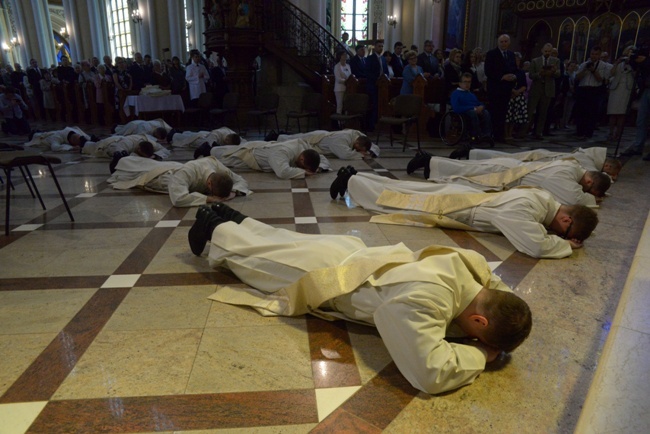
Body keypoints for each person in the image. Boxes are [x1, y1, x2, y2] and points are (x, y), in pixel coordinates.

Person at [188, 203, 532, 395]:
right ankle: (213, 226)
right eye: (476, 334)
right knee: (256, 261)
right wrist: (478, 354)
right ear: (479, 321)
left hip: (353, 253)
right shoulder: (425, 301)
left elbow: (499, 292)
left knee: (278, 240)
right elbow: (429, 373)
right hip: (325, 275)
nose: (471, 338)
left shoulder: (475, 268)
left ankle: (232, 217)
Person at [329, 170, 599, 259]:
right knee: (394, 203)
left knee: (402, 190)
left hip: (463, 199)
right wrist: (565, 246)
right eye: (563, 231)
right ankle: (351, 181)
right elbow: (534, 244)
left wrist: (560, 238)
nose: (556, 233)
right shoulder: (531, 207)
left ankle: (357, 177)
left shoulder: (546, 200)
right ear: (566, 220)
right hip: (457, 206)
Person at [407, 154, 610, 207]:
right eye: (589, 190)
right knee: (467, 171)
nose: (585, 192)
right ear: (590, 183)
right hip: (507, 173)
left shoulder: (573, 167)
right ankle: (429, 161)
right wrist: (593, 200)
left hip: (512, 170)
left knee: (468, 172)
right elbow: (575, 199)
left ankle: (432, 165)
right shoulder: (568, 178)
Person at [108, 154, 250, 207]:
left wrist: (234, 192)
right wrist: (209, 199)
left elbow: (240, 180)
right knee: (138, 172)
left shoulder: (220, 169)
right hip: (164, 177)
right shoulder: (187, 172)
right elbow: (178, 198)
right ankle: (119, 162)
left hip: (177, 168)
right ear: (209, 184)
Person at [468, 147, 622, 181]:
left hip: (543, 158)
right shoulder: (589, 160)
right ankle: (474, 154)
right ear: (607, 166)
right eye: (609, 169)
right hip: (542, 160)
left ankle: (475, 154)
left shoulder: (589, 156)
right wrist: (609, 178)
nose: (606, 170)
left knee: (506, 160)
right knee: (504, 162)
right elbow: (592, 176)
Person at [210, 139, 330, 179]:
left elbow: (322, 158)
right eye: (303, 166)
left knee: (229, 150)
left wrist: (318, 168)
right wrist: (304, 172)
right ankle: (208, 148)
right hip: (251, 156)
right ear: (302, 159)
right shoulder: (283, 153)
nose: (301, 167)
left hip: (264, 148)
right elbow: (282, 172)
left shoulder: (303, 146)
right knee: (223, 157)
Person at [484, 35, 518, 141]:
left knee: (503, 112)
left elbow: (514, 68)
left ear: (509, 42)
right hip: (495, 88)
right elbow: (488, 71)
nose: (503, 43)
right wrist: (502, 77)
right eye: (501, 41)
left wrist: (513, 76)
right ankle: (492, 134)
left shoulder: (511, 54)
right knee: (494, 112)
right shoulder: (491, 54)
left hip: (506, 89)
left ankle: (499, 135)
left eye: (505, 41)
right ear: (498, 43)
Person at [574, 46, 612, 140]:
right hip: (583, 89)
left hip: (594, 90)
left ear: (599, 55)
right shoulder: (584, 64)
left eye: (596, 54)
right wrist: (585, 70)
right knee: (581, 112)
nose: (593, 56)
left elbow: (601, 79)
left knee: (591, 113)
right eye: (592, 54)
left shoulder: (604, 66)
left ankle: (588, 133)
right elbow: (577, 77)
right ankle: (579, 132)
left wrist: (593, 71)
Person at [450, 72, 494, 152]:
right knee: (472, 113)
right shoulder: (455, 94)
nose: (467, 84)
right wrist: (473, 108)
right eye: (465, 82)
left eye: (469, 82)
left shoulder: (471, 94)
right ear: (460, 83)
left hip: (473, 110)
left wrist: (481, 107)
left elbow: (478, 103)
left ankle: (486, 135)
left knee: (486, 112)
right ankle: (476, 136)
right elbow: (456, 108)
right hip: (463, 113)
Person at [620, 47, 650, 159]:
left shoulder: (647, 61)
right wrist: (634, 59)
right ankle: (638, 147)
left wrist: (645, 61)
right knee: (641, 120)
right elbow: (635, 66)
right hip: (646, 90)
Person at [527, 43, 561, 140]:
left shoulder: (556, 61)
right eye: (545, 51)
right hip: (536, 88)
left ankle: (538, 132)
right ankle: (524, 131)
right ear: (542, 50)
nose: (547, 53)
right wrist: (540, 73)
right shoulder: (535, 61)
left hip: (548, 89)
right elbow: (531, 75)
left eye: (549, 52)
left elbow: (559, 74)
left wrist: (553, 71)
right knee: (530, 111)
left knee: (543, 112)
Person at [275, 129, 379, 159]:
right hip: (318, 140)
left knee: (297, 138)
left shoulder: (357, 134)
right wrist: (360, 154)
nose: (360, 151)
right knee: (294, 140)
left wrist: (371, 152)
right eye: (359, 149)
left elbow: (372, 145)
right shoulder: (342, 140)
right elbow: (344, 154)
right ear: (356, 143)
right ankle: (276, 136)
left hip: (324, 136)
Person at [606, 46, 636, 142]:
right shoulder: (619, 62)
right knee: (612, 112)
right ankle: (610, 132)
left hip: (626, 89)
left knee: (622, 113)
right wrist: (617, 63)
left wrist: (631, 64)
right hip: (616, 88)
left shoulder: (634, 63)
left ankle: (618, 133)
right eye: (628, 51)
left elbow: (636, 75)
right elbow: (611, 73)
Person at [81, 134, 170, 159]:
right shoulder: (128, 143)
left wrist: (155, 156)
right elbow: (119, 151)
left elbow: (164, 150)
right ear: (139, 149)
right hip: (110, 143)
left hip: (120, 139)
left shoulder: (151, 144)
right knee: (87, 146)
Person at [505, 52, 529, 143]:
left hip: (518, 96)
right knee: (507, 116)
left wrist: (518, 92)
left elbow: (524, 85)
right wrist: (512, 90)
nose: (517, 61)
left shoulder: (521, 72)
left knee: (514, 117)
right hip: (509, 95)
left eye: (518, 60)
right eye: (515, 60)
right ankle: (505, 134)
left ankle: (510, 133)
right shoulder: (507, 71)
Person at [365, 41, 387, 131]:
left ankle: (380, 124)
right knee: (373, 105)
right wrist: (377, 79)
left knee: (381, 104)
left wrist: (385, 78)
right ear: (375, 47)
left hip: (382, 86)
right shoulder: (370, 58)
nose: (381, 48)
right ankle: (371, 125)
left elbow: (385, 71)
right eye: (379, 46)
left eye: (382, 46)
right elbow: (368, 72)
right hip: (373, 85)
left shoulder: (383, 59)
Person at [25, 127, 94, 152]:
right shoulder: (56, 137)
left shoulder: (73, 130)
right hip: (37, 137)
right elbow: (55, 147)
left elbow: (85, 137)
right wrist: (71, 148)